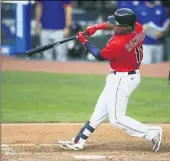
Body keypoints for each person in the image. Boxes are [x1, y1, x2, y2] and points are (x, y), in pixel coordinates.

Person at [58, 8, 163, 153]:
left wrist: (84, 41)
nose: (113, 26)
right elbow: (112, 24)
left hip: (122, 79)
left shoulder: (118, 44)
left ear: (125, 27)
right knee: (99, 111)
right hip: (124, 76)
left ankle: (152, 132)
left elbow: (99, 56)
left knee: (117, 119)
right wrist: (95, 27)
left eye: (116, 24)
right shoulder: (136, 27)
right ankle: (79, 140)